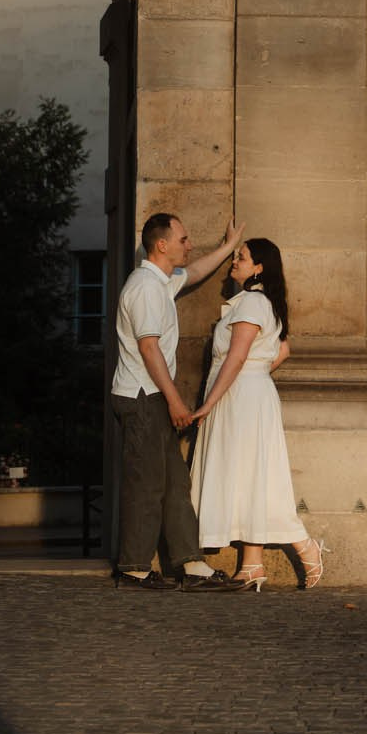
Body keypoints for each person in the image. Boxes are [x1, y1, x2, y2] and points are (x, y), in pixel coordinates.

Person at [110, 210, 243, 591]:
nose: (189, 245)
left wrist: (228, 247)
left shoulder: (160, 282)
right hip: (143, 397)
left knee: (174, 484)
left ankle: (191, 565)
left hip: (151, 396)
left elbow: (196, 272)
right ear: (162, 245)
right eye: (183, 240)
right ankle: (134, 567)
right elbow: (149, 349)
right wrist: (174, 402)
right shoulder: (145, 288)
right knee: (148, 484)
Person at [188, 237, 328, 592]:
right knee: (250, 476)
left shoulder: (252, 302)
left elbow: (235, 358)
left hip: (239, 397)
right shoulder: (261, 302)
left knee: (253, 476)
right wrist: (259, 372)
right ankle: (252, 565)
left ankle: (303, 544)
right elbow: (283, 349)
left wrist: (208, 404)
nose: (235, 261)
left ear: (259, 267)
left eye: (242, 257)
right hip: (248, 394)